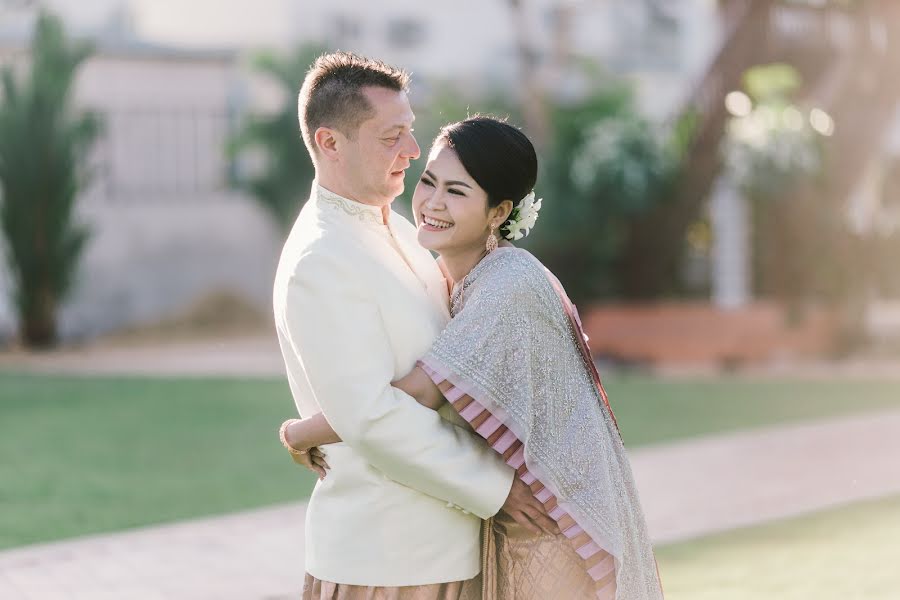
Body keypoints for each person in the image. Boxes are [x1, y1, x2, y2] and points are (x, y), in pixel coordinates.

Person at [284, 116, 665, 600]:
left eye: (457, 192)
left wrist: (302, 431)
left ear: (497, 211)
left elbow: (419, 392)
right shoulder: (450, 278)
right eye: (428, 182)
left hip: (558, 518)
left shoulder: (507, 283)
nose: (432, 203)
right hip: (527, 512)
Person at [273, 53, 555, 600]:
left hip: (450, 548)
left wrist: (305, 430)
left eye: (411, 132)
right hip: (386, 562)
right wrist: (497, 489)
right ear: (330, 143)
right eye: (390, 136)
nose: (411, 151)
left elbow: (447, 371)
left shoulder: (405, 232)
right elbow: (373, 417)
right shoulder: (320, 261)